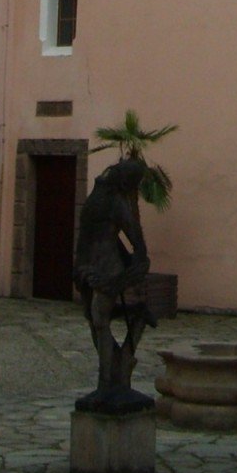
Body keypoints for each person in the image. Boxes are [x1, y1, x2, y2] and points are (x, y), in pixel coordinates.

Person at [73, 157, 157, 406]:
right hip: (90, 265)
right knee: (93, 321)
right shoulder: (101, 197)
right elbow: (87, 234)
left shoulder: (115, 203)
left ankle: (105, 383)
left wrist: (123, 276)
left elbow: (138, 245)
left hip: (107, 269)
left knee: (99, 320)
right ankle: (113, 375)